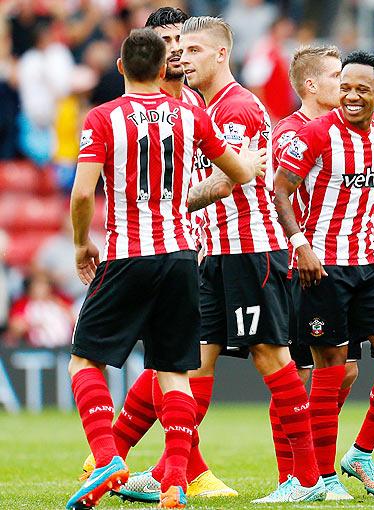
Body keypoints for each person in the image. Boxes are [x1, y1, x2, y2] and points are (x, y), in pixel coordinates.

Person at [65, 27, 261, 510]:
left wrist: (79, 243)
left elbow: (83, 193)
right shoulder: (191, 114)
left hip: (128, 253)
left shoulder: (103, 117)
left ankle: (108, 456)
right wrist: (251, 163)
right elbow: (235, 174)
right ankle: (174, 484)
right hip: (179, 257)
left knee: (84, 360)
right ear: (161, 70)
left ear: (120, 69)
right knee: (173, 371)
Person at [148, 16, 323, 503]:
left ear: (222, 54)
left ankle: (308, 481)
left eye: (195, 50)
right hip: (215, 254)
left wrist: (167, 202)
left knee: (272, 359)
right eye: (180, 49)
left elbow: (230, 182)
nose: (183, 57)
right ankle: (172, 477)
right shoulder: (203, 107)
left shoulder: (238, 108)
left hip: (249, 250)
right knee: (192, 366)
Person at [274, 50, 374, 498]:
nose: (352, 95)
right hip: (324, 267)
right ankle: (321, 478)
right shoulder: (315, 134)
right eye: (346, 87)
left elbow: (368, 172)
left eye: (362, 89)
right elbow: (280, 189)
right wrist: (301, 246)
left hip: (370, 264)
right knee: (330, 370)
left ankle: (360, 452)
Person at [269, 44, 360, 501]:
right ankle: (294, 475)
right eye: (335, 76)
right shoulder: (291, 133)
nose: (343, 84)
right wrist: (298, 246)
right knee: (298, 373)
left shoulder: (348, 129)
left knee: (344, 371)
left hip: (341, 264)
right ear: (310, 85)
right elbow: (280, 196)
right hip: (300, 266)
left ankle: (315, 465)